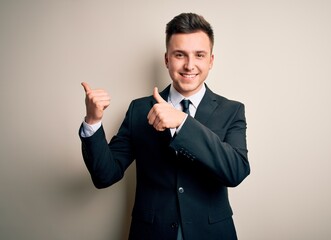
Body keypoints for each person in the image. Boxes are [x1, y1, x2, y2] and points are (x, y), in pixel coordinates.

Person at [79, 12, 250, 240]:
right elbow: (105, 175)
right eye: (180, 55)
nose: (190, 65)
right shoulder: (138, 110)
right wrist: (93, 121)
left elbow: (236, 171)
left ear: (211, 60)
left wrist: (182, 122)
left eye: (199, 55)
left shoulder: (232, 110)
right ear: (167, 59)